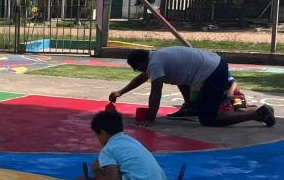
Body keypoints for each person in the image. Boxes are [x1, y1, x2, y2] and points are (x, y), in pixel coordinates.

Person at [109, 47, 274, 127]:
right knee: (178, 78)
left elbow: (156, 93)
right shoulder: (157, 56)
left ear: (142, 62)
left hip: (213, 72)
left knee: (208, 119)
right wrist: (120, 92)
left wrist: (150, 118)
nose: (141, 71)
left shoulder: (156, 63)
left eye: (138, 67)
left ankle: (258, 114)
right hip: (214, 64)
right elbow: (142, 78)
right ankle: (191, 106)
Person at [74, 110, 167, 180]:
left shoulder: (108, 149)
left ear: (103, 133)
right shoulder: (131, 141)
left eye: (97, 135)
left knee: (96, 166)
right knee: (127, 170)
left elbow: (112, 179)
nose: (98, 139)